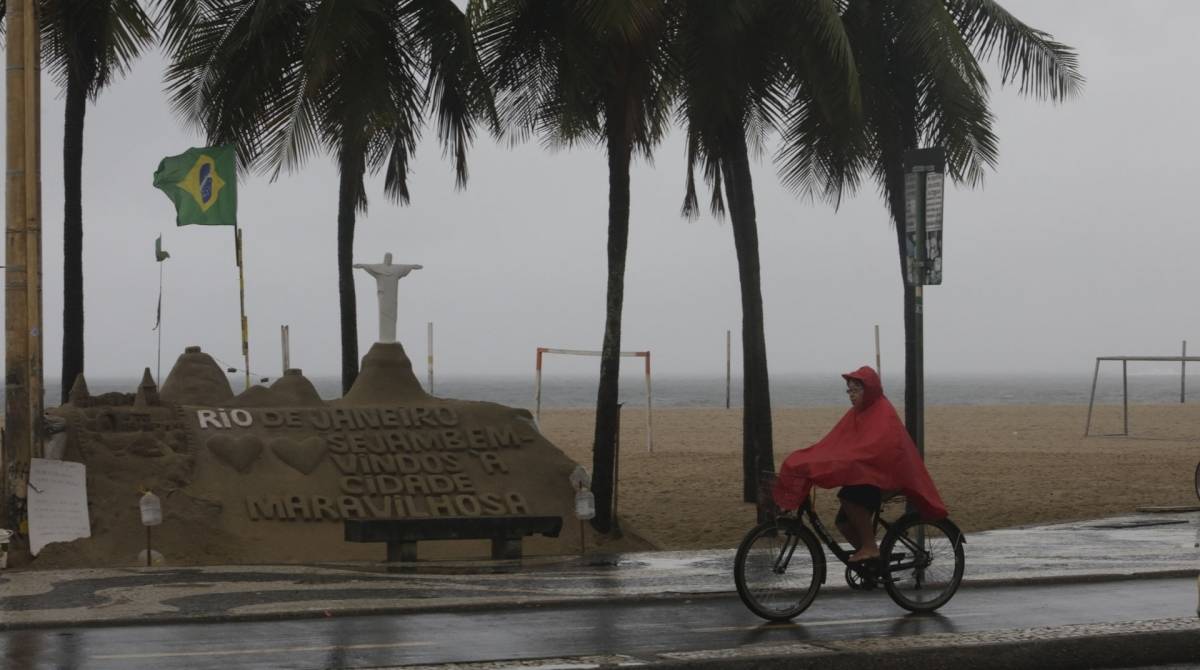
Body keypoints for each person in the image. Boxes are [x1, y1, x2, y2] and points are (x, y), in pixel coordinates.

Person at [773, 366, 947, 563]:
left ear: (869, 389)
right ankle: (873, 562)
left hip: (883, 477)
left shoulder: (881, 412)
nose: (851, 395)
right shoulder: (859, 412)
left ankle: (871, 548)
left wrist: (845, 463)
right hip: (867, 475)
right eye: (849, 390)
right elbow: (837, 444)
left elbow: (872, 450)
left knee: (849, 500)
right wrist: (812, 460)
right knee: (843, 523)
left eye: (856, 389)